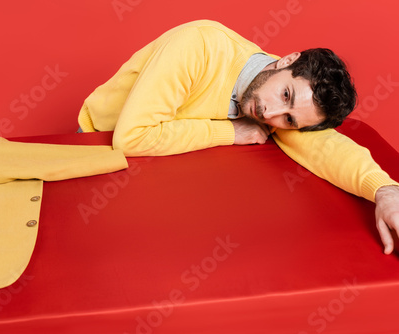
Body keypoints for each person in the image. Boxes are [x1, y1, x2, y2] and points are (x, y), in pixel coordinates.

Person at [77, 20, 399, 254]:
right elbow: (131, 138)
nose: (270, 114)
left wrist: (385, 192)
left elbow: (327, 147)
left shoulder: (281, 107)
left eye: (288, 119)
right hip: (94, 146)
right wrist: (230, 132)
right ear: (287, 60)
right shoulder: (199, 47)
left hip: (160, 174)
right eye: (285, 94)